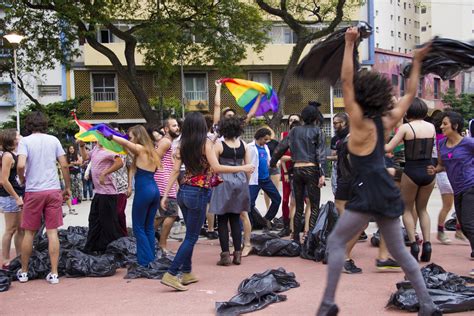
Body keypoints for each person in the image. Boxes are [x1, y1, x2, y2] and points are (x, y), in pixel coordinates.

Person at [317, 28, 438, 315]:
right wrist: (417, 60)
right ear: (381, 96)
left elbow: (346, 80)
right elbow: (410, 92)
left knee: (335, 242)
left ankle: (328, 303)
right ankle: (429, 305)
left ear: (360, 95)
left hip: (366, 191)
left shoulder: (357, 122)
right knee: (399, 252)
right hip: (385, 189)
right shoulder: (389, 120)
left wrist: (349, 44)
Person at [160, 112, 254, 291]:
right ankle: (171, 273)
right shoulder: (206, 144)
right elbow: (217, 167)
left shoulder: (181, 145)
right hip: (198, 193)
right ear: (202, 126)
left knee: (189, 235)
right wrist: (243, 167)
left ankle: (187, 272)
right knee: (192, 238)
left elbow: (174, 172)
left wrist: (165, 195)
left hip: (183, 192)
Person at [16, 112, 72, 285]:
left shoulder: (25, 141)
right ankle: (54, 273)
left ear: (29, 125)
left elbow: (20, 165)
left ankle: (24, 272)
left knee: (29, 232)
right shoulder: (54, 140)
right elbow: (64, 164)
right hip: (53, 189)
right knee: (52, 232)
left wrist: (22, 178)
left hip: (34, 190)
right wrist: (67, 187)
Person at [386, 98, 436, 262]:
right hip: (429, 171)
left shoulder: (406, 128)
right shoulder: (431, 127)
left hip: (412, 170)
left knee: (407, 209)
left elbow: (389, 148)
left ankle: (414, 245)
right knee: (423, 210)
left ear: (408, 112)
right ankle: (427, 244)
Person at [103, 125, 161, 266]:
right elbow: (128, 149)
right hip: (154, 190)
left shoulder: (140, 149)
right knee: (148, 227)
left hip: (144, 191)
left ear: (138, 136)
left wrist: (110, 135)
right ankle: (151, 258)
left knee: (138, 227)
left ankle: (145, 261)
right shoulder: (151, 151)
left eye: (131, 136)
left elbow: (127, 144)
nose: (129, 138)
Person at [271, 105, 326, 243]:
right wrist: (322, 174)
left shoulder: (294, 130)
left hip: (297, 169)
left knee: (298, 206)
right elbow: (321, 154)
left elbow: (280, 148)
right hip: (311, 169)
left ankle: (295, 238)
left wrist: (272, 163)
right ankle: (310, 238)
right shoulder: (318, 131)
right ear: (315, 117)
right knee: (313, 205)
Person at [428, 111, 474, 261]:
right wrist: (435, 170)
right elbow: (442, 165)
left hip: (470, 185)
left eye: (445, 123)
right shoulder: (441, 143)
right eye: (441, 123)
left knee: (467, 223)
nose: (441, 126)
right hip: (457, 188)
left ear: (455, 126)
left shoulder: (468, 143)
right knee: (463, 225)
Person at [209, 117, 251, 266]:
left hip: (223, 182)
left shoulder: (218, 146)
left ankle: (225, 255)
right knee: (235, 218)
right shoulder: (244, 145)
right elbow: (249, 167)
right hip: (240, 181)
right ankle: (238, 254)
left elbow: (215, 167)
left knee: (222, 219)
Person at [78, 139, 124, 253]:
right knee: (94, 220)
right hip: (98, 192)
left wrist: (105, 173)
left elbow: (119, 162)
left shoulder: (108, 150)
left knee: (108, 223)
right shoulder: (95, 149)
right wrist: (82, 146)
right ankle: (93, 246)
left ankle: (113, 248)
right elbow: (85, 157)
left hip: (108, 193)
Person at [154, 118, 181, 252]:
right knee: (170, 214)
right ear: (166, 129)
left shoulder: (168, 142)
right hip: (163, 183)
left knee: (162, 214)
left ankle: (154, 242)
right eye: (174, 126)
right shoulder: (165, 142)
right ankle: (162, 244)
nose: (177, 128)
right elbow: (154, 159)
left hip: (166, 182)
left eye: (177, 125)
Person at [248, 128, 281, 228]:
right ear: (260, 137)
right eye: (265, 139)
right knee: (250, 204)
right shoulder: (249, 147)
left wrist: (275, 164)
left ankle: (266, 219)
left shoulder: (265, 147)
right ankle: (250, 224)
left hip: (266, 179)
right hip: (254, 180)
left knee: (277, 199)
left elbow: (268, 161)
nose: (266, 142)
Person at [0, 129, 24, 269]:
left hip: (16, 194)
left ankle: (20, 255)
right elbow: (4, 180)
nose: (19, 137)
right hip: (9, 196)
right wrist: (16, 197)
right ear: (11, 139)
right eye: (17, 135)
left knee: (20, 228)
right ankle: (5, 258)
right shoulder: (8, 156)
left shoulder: (14, 154)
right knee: (10, 229)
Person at [278, 114, 301, 237]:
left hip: (300, 170)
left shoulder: (302, 136)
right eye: (291, 120)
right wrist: (285, 172)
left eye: (295, 120)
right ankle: (286, 225)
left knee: (303, 199)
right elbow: (280, 156)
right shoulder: (284, 135)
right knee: (286, 198)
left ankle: (301, 224)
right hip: (286, 169)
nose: (292, 122)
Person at [263, 127, 280, 212]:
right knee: (266, 190)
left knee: (274, 190)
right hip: (264, 168)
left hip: (274, 168)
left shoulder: (275, 143)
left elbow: (279, 153)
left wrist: (278, 162)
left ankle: (273, 210)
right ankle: (267, 208)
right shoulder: (260, 143)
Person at [66, 145, 82, 215]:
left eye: (72, 148)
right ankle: (74, 201)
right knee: (73, 187)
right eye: (70, 148)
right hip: (71, 173)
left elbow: (80, 162)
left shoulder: (77, 154)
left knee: (79, 186)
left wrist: (74, 163)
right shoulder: (67, 157)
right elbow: (66, 165)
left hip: (77, 172)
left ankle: (79, 199)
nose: (71, 150)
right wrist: (71, 164)